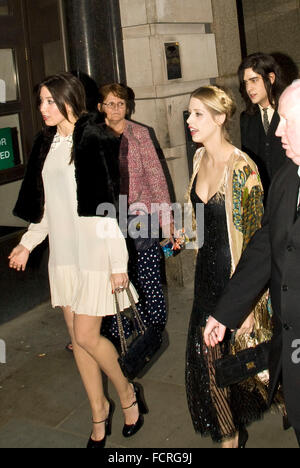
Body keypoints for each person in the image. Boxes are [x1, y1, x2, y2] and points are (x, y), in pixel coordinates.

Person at [8, 73, 148, 448]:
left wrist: (118, 262)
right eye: (40, 102)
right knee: (78, 340)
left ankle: (127, 392)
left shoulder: (95, 139)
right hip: (64, 255)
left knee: (88, 335)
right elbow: (48, 208)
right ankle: (98, 412)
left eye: (49, 101)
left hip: (95, 252)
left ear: (69, 100)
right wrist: (28, 243)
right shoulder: (46, 144)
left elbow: (108, 207)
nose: (42, 109)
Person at [204, 80, 300, 447]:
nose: (277, 131)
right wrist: (226, 312)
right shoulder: (287, 178)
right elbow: (264, 249)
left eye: (287, 121)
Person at [185, 85, 274, 448]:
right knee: (206, 364)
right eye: (189, 114)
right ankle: (230, 435)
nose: (189, 121)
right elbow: (202, 223)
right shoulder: (198, 160)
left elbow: (257, 241)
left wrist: (249, 303)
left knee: (227, 367)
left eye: (198, 114)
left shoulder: (243, 169)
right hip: (204, 276)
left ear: (220, 119)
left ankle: (229, 438)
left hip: (234, 279)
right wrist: (185, 235)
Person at [98, 83, 172, 342]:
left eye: (120, 103)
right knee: (110, 276)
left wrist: (167, 220)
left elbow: (157, 180)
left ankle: (152, 327)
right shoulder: (93, 136)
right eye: (110, 103)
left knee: (147, 273)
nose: (116, 108)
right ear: (100, 107)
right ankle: (117, 329)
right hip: (107, 217)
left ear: (127, 106)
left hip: (141, 215)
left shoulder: (140, 133)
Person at [238, 52, 286, 198]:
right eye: (246, 83)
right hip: (263, 202)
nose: (249, 89)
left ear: (271, 78)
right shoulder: (246, 119)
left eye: (254, 80)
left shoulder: (290, 112)